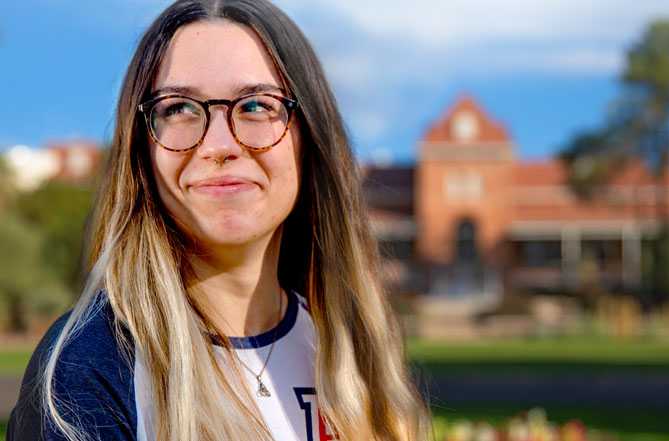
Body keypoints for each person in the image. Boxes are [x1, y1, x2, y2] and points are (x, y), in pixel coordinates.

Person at [7, 1, 431, 440]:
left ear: (310, 139)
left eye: (255, 105)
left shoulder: (351, 353)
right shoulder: (90, 365)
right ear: (141, 151)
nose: (219, 144)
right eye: (179, 109)